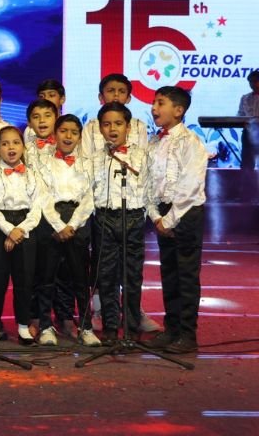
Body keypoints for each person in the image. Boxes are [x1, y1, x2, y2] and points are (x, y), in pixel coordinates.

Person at [143, 86, 208, 354]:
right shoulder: (154, 142)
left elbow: (190, 186)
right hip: (163, 212)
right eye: (154, 102)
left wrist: (169, 220)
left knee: (186, 275)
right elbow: (149, 182)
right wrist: (156, 215)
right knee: (169, 273)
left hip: (185, 213)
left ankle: (187, 334)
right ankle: (171, 329)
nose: (154, 108)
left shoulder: (191, 142)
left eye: (161, 103)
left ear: (179, 110)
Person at [34, 114, 99, 347]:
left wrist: (72, 225)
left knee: (80, 278)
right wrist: (59, 225)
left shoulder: (87, 163)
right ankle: (45, 326)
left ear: (80, 137)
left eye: (74, 132)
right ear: (55, 134)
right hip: (51, 221)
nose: (68, 136)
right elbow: (42, 195)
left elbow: (89, 198)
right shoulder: (43, 162)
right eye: (63, 131)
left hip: (78, 222)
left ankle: (86, 327)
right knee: (46, 277)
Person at [90, 102, 150, 344]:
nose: (112, 129)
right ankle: (111, 327)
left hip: (133, 217)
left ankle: (132, 327)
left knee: (132, 276)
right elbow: (90, 191)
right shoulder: (95, 158)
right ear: (100, 129)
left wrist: (143, 216)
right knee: (107, 277)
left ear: (128, 127)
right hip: (105, 218)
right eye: (106, 124)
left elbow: (149, 189)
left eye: (118, 124)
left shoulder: (141, 156)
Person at [0, 126, 42, 347]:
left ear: (23, 147)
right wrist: (9, 230)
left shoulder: (33, 175)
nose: (11, 147)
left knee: (24, 280)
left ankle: (23, 327)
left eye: (16, 142)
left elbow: (37, 208)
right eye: (5, 143)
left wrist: (20, 230)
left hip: (25, 228)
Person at [81, 73, 149, 158]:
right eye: (111, 91)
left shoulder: (139, 126)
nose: (116, 94)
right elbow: (86, 159)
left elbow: (144, 159)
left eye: (122, 91)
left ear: (128, 98)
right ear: (101, 97)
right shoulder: (90, 127)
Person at [237, 69, 259, 169]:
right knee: (247, 161)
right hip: (248, 131)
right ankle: (246, 178)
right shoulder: (245, 98)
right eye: (251, 82)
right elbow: (240, 113)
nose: (253, 84)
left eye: (256, 81)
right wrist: (237, 120)